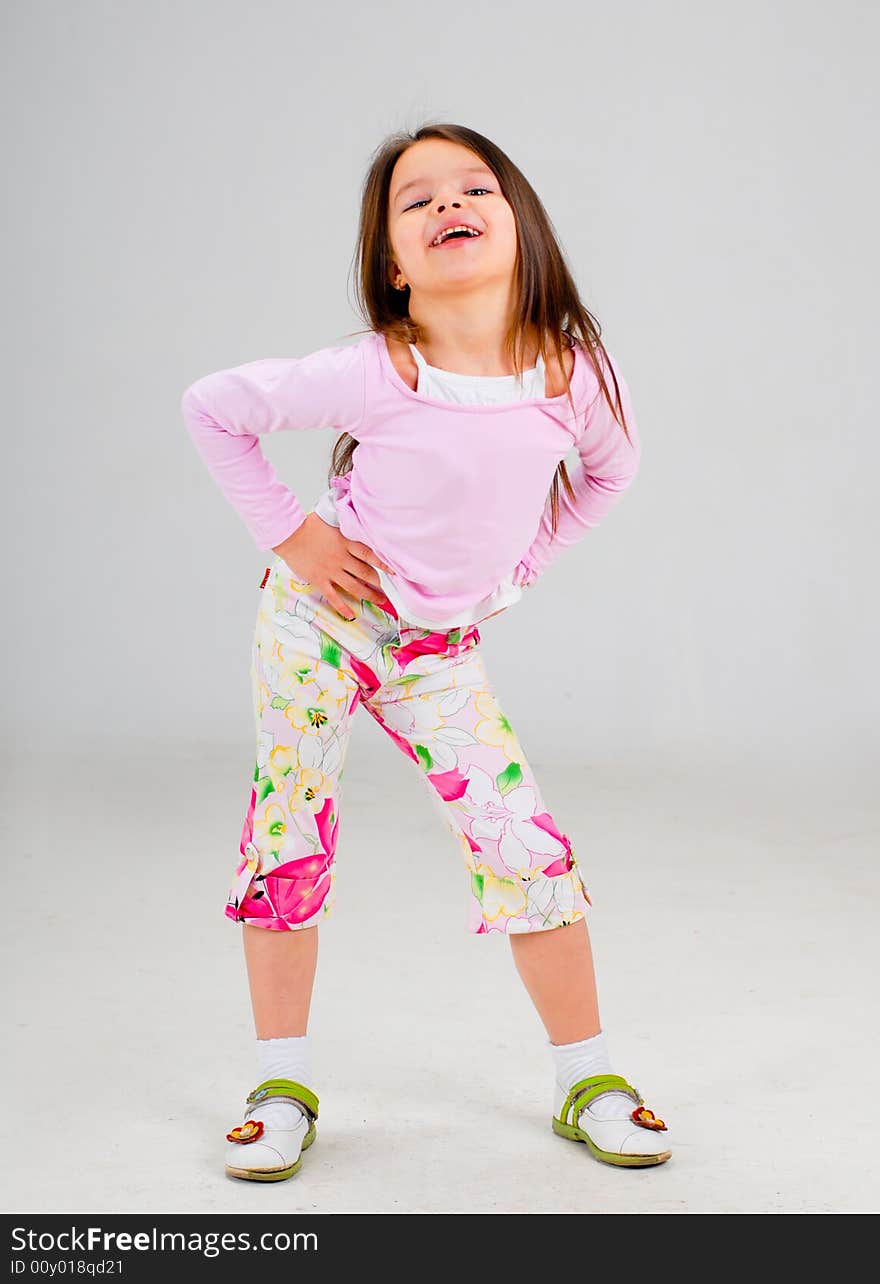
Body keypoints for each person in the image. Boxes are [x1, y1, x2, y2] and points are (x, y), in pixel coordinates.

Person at [180, 123, 671, 1182]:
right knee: (289, 836)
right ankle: (281, 1084)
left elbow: (609, 476)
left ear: (520, 227)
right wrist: (297, 539)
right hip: (316, 625)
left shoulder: (573, 375)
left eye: (474, 187)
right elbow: (213, 409)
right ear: (394, 267)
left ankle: (584, 1075)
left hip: (437, 651)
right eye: (418, 199)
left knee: (525, 846)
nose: (450, 202)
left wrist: (522, 565)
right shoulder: (374, 373)